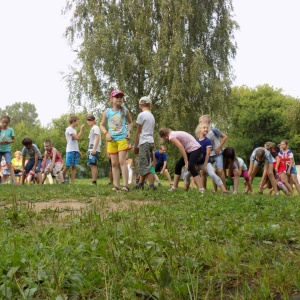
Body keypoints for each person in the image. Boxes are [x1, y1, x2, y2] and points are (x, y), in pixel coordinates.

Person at [100, 89, 133, 191]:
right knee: (114, 164)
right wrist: (106, 133)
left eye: (121, 97)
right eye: (117, 97)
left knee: (122, 161)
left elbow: (131, 123)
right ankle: (116, 185)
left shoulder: (124, 110)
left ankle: (125, 186)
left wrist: (128, 131)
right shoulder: (107, 111)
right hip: (112, 141)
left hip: (122, 139)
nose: (119, 98)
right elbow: (101, 125)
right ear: (111, 99)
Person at [184, 122, 228, 193]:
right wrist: (194, 165)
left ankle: (224, 190)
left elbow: (208, 154)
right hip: (197, 163)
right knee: (187, 175)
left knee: (212, 174)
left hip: (206, 162)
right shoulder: (195, 141)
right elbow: (192, 154)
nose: (206, 129)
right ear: (199, 130)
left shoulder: (208, 141)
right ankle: (186, 190)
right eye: (204, 128)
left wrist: (205, 165)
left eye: (207, 128)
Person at [159, 128, 204, 192]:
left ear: (165, 136)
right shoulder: (174, 134)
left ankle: (201, 189)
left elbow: (181, 147)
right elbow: (184, 147)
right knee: (178, 165)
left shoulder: (171, 136)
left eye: (163, 138)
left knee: (191, 166)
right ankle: (174, 187)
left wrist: (186, 161)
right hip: (190, 150)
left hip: (195, 149)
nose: (165, 140)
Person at [133, 96, 156, 190]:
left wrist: (135, 146)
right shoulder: (151, 116)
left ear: (140, 105)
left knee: (144, 165)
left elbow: (138, 132)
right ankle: (140, 184)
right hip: (150, 142)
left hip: (144, 142)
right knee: (145, 163)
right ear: (150, 105)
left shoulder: (141, 115)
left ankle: (151, 185)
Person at [198, 115, 227, 191]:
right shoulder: (202, 132)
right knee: (203, 171)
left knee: (220, 171)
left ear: (206, 121)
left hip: (218, 154)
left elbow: (225, 137)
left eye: (200, 122)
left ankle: (224, 189)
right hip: (208, 155)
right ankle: (204, 189)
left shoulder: (214, 130)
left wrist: (218, 147)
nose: (199, 124)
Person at [62, 115, 85, 184]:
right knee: (67, 165)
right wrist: (81, 130)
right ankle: (61, 179)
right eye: (77, 121)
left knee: (74, 166)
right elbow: (77, 138)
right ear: (73, 121)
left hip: (75, 150)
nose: (78, 123)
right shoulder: (69, 129)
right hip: (70, 150)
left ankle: (72, 183)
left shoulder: (74, 130)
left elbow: (75, 142)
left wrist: (78, 151)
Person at [0, 115, 18, 184]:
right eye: (3, 122)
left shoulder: (10, 130)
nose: (4, 124)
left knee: (9, 164)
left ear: (8, 122)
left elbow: (13, 140)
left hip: (7, 150)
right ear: (0, 121)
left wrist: (8, 141)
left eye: (6, 123)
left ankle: (14, 181)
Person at [86, 115, 101, 185]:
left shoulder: (95, 127)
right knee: (91, 165)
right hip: (91, 149)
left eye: (91, 120)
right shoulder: (92, 128)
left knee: (93, 164)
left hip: (93, 149)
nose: (89, 121)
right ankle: (93, 181)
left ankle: (94, 181)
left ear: (94, 120)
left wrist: (94, 149)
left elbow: (97, 138)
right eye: (88, 120)